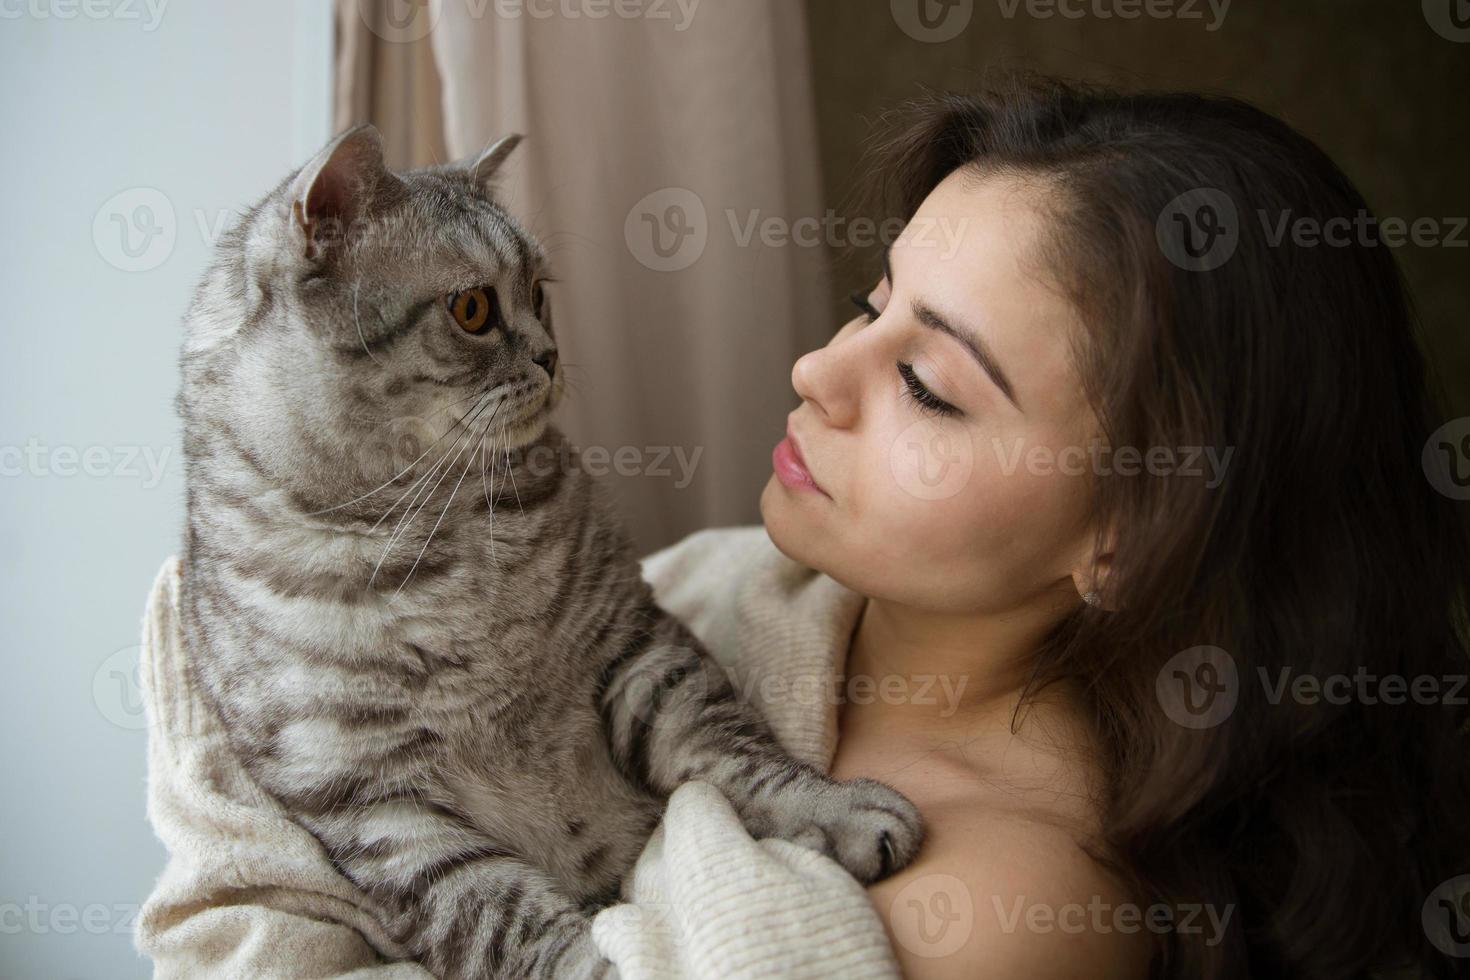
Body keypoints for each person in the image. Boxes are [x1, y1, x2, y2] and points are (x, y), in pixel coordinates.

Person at [134, 73, 1470, 980]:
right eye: (867, 301)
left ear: (1126, 532)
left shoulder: (1009, 910)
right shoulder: (743, 590)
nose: (814, 373)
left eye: (928, 385)